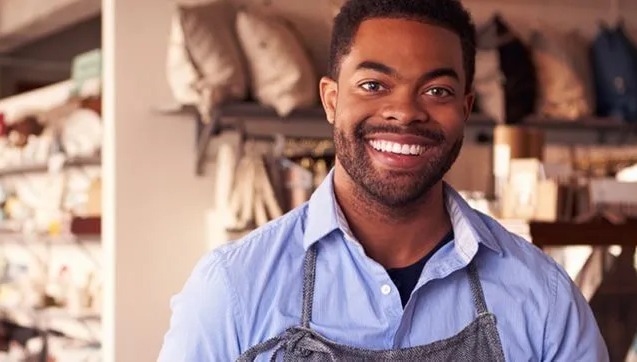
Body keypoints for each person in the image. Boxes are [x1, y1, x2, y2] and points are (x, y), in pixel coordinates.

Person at [158, 0, 608, 361]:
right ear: (331, 100)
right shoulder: (233, 289)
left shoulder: (544, 299)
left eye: (437, 91)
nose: (406, 111)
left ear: (466, 109)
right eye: (374, 85)